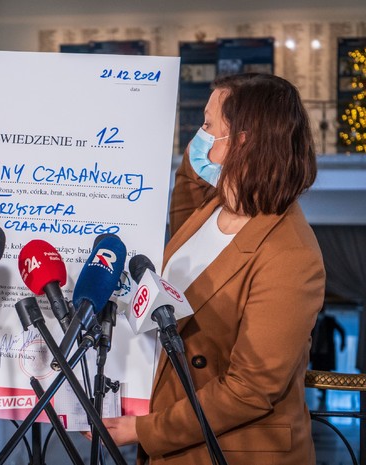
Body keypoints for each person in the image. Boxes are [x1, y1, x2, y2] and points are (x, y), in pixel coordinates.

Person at [101, 73, 326, 464]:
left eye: (207, 125)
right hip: (180, 437)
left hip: (233, 451)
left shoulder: (291, 254)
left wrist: (144, 430)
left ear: (243, 140)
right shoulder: (212, 206)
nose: (198, 136)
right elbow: (189, 177)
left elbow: (250, 389)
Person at [310, 305, 347, 406]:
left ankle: (323, 392)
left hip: (326, 353)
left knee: (325, 372)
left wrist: (342, 343)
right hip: (315, 352)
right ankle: (320, 390)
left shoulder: (330, 320)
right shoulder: (313, 321)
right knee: (316, 371)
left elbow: (341, 330)